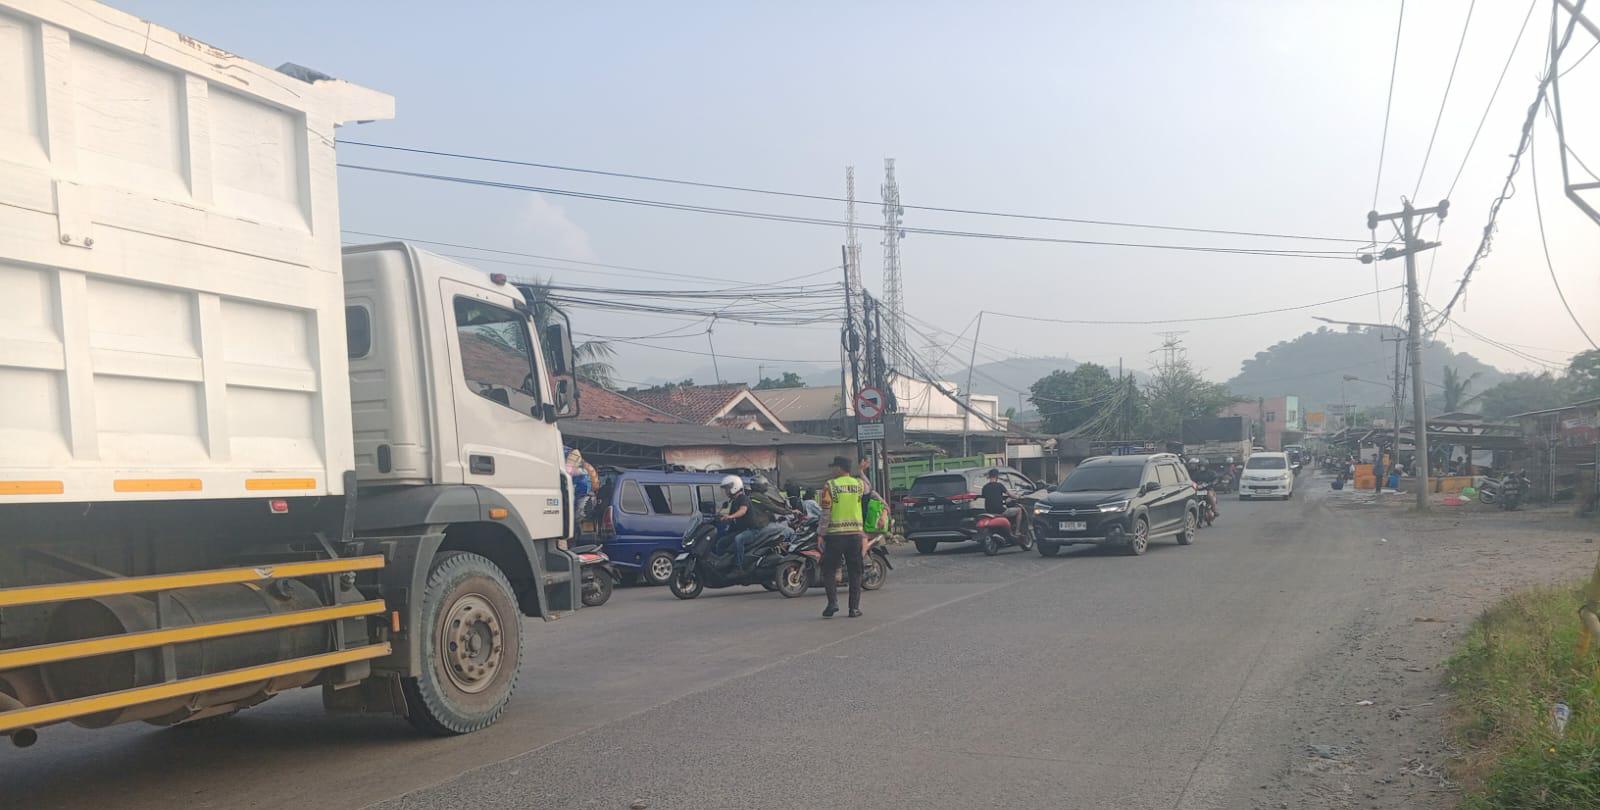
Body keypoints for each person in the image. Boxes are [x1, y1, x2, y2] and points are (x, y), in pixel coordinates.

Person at [817, 456, 866, 618]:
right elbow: (869, 488)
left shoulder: (830, 486)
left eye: (834, 467)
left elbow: (826, 512)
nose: (832, 470)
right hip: (855, 536)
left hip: (835, 536)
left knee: (829, 570)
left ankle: (832, 603)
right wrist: (862, 472)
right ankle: (854, 608)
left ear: (839, 468)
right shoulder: (859, 484)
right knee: (855, 572)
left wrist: (821, 534)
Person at [716, 475, 758, 569]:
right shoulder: (733, 501)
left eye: (727, 488)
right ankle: (721, 565)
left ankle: (738, 566)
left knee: (739, 539)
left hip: (751, 530)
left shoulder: (743, 498)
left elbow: (742, 511)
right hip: (740, 530)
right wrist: (720, 517)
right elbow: (729, 515)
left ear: (735, 487)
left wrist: (730, 516)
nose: (726, 491)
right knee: (721, 542)